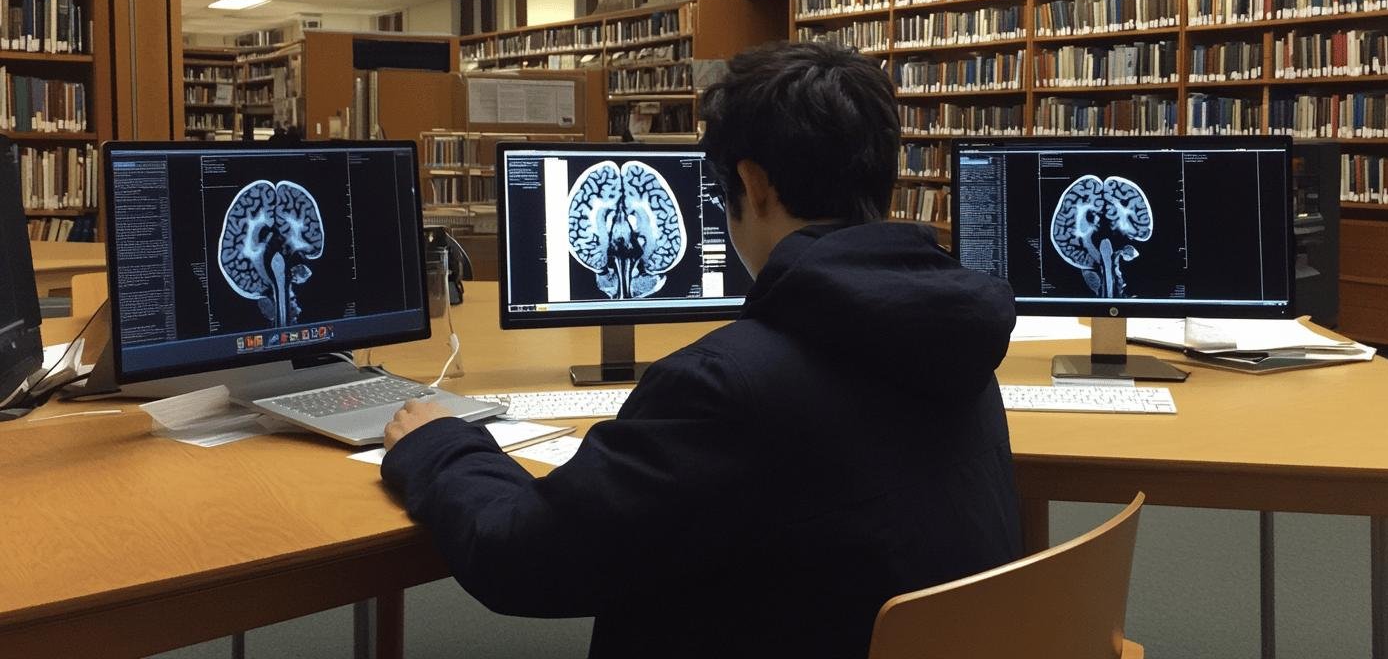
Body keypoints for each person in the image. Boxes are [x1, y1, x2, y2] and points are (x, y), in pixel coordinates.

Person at [381, 41, 1021, 658]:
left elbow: (520, 558)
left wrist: (442, 447)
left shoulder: (725, 387)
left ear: (755, 184)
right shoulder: (955, 337)